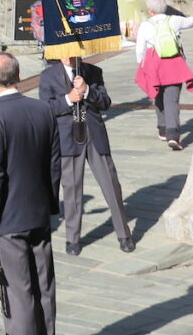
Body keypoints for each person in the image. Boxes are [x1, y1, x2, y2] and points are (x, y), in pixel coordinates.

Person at [0, 52, 61, 335]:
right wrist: (48, 202)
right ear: (19, 75)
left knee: (20, 294)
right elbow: (55, 163)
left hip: (9, 219)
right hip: (39, 212)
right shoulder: (42, 109)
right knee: (44, 290)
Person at [39, 58, 134, 256]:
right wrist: (68, 98)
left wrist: (87, 90)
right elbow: (45, 108)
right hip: (68, 137)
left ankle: (124, 234)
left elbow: (105, 102)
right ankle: (73, 238)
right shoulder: (48, 76)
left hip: (94, 134)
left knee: (111, 184)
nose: (70, 55)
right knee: (72, 189)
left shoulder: (92, 71)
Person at [135, 0, 193, 150]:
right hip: (174, 64)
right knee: (172, 100)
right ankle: (173, 135)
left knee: (157, 95)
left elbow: (140, 49)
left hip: (154, 65)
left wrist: (141, 64)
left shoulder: (145, 25)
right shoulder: (174, 20)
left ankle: (162, 129)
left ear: (150, 10)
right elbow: (190, 21)